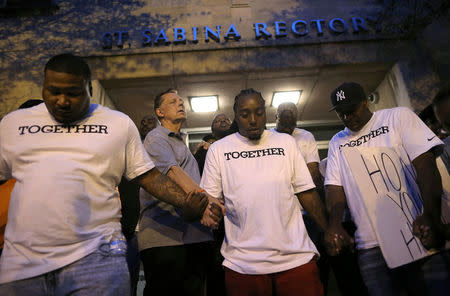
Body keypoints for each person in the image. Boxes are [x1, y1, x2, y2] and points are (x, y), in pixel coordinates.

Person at [0, 53, 217, 295]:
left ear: (89, 88)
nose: (62, 101)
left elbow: (149, 177)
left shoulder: (118, 124)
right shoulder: (13, 124)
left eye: (73, 93)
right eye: (53, 91)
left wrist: (187, 203)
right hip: (23, 266)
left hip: (98, 261)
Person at [324, 82, 450, 296]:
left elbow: (425, 165)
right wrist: (335, 224)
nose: (347, 118)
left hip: (418, 232)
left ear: (365, 103)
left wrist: (430, 214)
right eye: (341, 114)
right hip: (372, 247)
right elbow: (334, 187)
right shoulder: (338, 141)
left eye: (352, 111)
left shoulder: (397, 117)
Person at [200, 88, 329, 296]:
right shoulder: (219, 149)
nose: (253, 119)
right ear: (236, 115)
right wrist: (210, 210)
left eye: (259, 112)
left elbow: (306, 192)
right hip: (243, 265)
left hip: (296, 258)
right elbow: (211, 198)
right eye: (245, 114)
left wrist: (328, 228)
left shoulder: (286, 143)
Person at [137, 89, 224, 296]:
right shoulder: (155, 137)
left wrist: (210, 204)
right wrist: (209, 205)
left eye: (181, 101)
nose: (180, 104)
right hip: (165, 239)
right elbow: (173, 174)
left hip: (193, 237)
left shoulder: (180, 142)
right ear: (160, 112)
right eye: (172, 102)